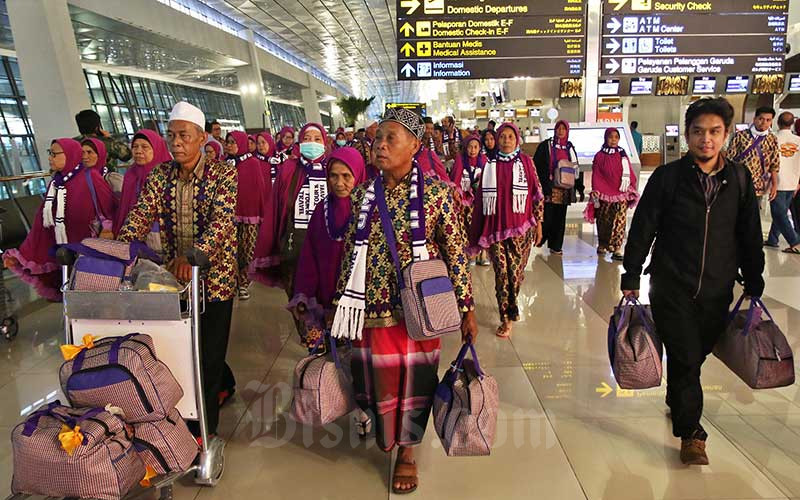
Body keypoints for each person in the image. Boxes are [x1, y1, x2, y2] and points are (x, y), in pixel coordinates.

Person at [332, 108, 476, 495]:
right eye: (377, 139)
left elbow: (456, 254)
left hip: (421, 313)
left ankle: (408, 451)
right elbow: (350, 253)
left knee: (415, 382)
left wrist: (466, 307)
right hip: (370, 313)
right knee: (378, 382)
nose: (379, 145)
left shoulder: (438, 194)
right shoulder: (362, 193)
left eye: (389, 139)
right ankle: (385, 434)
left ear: (414, 145)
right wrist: (339, 301)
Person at [621, 97, 765, 466]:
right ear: (687, 136)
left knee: (695, 357)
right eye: (699, 132)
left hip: (717, 289)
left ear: (727, 135)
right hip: (672, 286)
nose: (706, 139)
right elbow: (644, 227)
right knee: (685, 357)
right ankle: (692, 433)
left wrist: (754, 277)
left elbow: (749, 233)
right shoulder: (669, 178)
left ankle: (679, 398)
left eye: (715, 132)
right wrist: (632, 273)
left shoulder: (739, 180)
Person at [118, 101, 238, 440]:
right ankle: (211, 395)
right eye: (171, 136)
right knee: (182, 349)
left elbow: (222, 222)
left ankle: (205, 430)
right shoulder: (161, 175)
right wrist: (119, 251)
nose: (176, 143)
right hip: (176, 283)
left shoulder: (223, 174)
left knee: (209, 354)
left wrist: (194, 255)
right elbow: (140, 216)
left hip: (213, 279)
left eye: (184, 136)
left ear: (202, 138)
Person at [3, 138, 116, 301]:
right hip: (63, 250)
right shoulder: (56, 183)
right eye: (50, 153)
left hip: (88, 249)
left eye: (54, 154)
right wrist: (22, 255)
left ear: (70, 155)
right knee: (72, 294)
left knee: (94, 295)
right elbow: (41, 224)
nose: (50, 158)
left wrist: (107, 229)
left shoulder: (90, 177)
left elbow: (108, 208)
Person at [470, 123, 544, 338]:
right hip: (496, 230)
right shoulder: (490, 166)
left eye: (510, 136)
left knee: (517, 274)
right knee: (503, 273)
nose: (506, 140)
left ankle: (510, 304)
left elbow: (537, 195)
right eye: (502, 136)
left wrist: (539, 224)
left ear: (517, 139)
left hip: (523, 230)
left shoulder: (527, 163)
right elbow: (481, 200)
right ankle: (507, 316)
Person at [288, 147, 365, 351]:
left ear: (358, 175)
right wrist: (304, 294)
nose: (339, 183)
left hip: (360, 304)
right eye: (333, 176)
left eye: (346, 176)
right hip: (327, 299)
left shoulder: (368, 210)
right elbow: (309, 256)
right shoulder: (321, 210)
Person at [250, 123, 328, 297]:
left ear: (324, 142)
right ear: (300, 142)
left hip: (326, 245)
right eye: (307, 139)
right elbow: (276, 209)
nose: (312, 143)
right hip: (295, 246)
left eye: (317, 139)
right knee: (298, 298)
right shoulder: (289, 168)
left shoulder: (332, 168)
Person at [225, 131, 270, 300]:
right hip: (228, 215)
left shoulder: (252, 163)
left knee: (247, 251)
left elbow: (258, 189)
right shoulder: (225, 164)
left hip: (249, 215)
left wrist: (259, 213)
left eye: (232, 142)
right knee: (230, 251)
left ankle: (243, 283)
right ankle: (234, 283)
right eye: (227, 142)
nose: (229, 145)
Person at [112, 130, 172, 250]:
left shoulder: (168, 174)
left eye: (145, 147)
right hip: (133, 235)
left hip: (162, 238)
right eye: (135, 146)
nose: (138, 151)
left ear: (157, 149)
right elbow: (125, 207)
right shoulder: (131, 174)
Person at [585, 128, 639, 260]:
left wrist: (631, 185)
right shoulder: (599, 155)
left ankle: (617, 248)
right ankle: (603, 244)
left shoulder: (622, 154)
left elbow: (629, 171)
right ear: (605, 138)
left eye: (616, 137)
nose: (613, 140)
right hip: (603, 193)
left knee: (619, 220)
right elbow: (596, 173)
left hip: (620, 192)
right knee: (604, 220)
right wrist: (596, 189)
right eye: (611, 137)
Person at [534, 120, 579, 255]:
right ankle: (542, 238)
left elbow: (575, 167)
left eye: (563, 129)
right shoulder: (546, 146)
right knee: (547, 216)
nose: (560, 131)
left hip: (564, 188)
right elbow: (538, 165)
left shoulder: (569, 147)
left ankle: (556, 245)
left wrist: (579, 186)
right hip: (549, 188)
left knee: (560, 218)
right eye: (558, 128)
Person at [726, 106, 779, 204]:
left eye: (768, 120)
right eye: (761, 119)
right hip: (739, 182)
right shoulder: (740, 136)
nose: (764, 122)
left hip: (759, 186)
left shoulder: (772, 139)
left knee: (754, 215)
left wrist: (774, 185)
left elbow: (774, 164)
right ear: (754, 119)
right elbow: (729, 158)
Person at [450, 134, 488, 265]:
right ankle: (470, 253)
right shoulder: (460, 160)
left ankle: (482, 254)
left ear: (479, 148)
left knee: (481, 226)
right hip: (465, 199)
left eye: (475, 147)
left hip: (480, 199)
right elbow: (455, 180)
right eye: (470, 147)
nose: (473, 150)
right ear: (465, 148)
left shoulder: (484, 159)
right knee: (467, 226)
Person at [766, 111, 800, 253]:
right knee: (781, 212)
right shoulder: (799, 141)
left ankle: (795, 242)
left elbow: (768, 162)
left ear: (777, 122)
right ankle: (773, 239)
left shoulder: (772, 138)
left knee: (779, 214)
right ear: (792, 123)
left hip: (777, 182)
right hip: (793, 181)